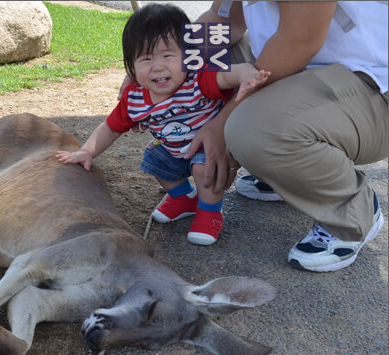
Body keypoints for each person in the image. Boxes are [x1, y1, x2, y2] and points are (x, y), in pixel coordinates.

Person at [180, 1, 388, 271]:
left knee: (249, 129)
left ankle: (351, 211)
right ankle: (285, 173)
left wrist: (223, 123)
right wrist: (160, 64)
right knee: (203, 65)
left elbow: (300, 41)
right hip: (311, 76)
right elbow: (223, 22)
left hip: (373, 85)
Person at [55, 3, 270, 246]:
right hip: (171, 148)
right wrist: (87, 151)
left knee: (204, 170)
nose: (158, 66)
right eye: (146, 58)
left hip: (207, 147)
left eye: (168, 55)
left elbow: (230, 73)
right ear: (131, 66)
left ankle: (210, 212)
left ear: (189, 56)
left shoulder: (198, 80)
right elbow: (111, 127)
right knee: (154, 160)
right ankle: (183, 199)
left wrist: (246, 75)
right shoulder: (134, 99)